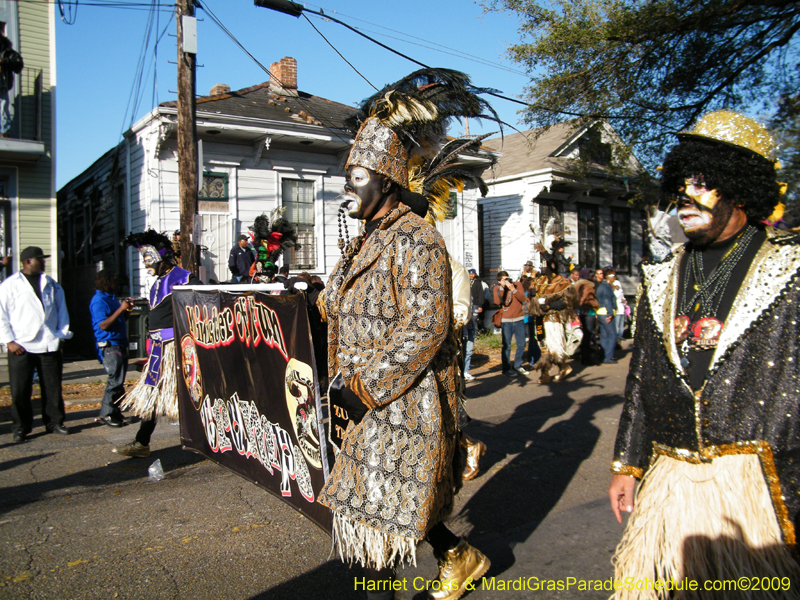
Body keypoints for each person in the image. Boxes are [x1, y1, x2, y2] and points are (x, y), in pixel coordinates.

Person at [608, 110, 800, 599]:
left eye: (703, 181)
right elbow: (641, 377)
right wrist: (626, 465)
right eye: (681, 182)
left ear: (740, 188)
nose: (683, 196)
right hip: (669, 477)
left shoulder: (789, 270)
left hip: (760, 487)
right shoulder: (661, 275)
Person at [320, 68, 496, 599]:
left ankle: (450, 559)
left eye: (355, 178)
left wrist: (363, 386)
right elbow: (334, 302)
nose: (346, 189)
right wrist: (308, 296)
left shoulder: (417, 239)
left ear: (385, 181)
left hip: (402, 399)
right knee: (379, 507)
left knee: (373, 519)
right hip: (363, 399)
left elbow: (425, 325)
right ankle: (458, 554)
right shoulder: (364, 241)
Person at [113, 230, 200, 458]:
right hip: (159, 350)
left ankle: (210, 440)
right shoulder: (158, 281)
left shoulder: (184, 278)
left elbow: (201, 303)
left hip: (176, 349)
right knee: (152, 393)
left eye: (149, 259)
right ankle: (142, 443)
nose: (146, 265)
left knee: (190, 394)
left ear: (162, 258)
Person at [0, 247, 72, 442]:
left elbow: (61, 311)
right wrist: (9, 341)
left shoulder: (51, 284)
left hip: (48, 343)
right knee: (20, 389)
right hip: (21, 345)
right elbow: (2, 315)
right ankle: (20, 427)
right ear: (28, 261)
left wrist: (61, 335)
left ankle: (54, 422)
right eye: (41, 259)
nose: (44, 262)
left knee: (52, 387)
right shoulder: (10, 285)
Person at [89, 270, 137, 427]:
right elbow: (103, 325)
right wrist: (120, 309)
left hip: (120, 342)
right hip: (109, 345)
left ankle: (115, 412)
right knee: (114, 380)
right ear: (106, 282)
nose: (117, 285)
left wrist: (127, 310)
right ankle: (107, 414)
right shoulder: (99, 301)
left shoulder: (112, 299)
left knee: (119, 381)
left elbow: (120, 319)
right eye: (114, 281)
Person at [528, 244, 578, 384]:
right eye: (542, 264)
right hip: (540, 320)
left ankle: (563, 366)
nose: (543, 267)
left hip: (552, 319)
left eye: (546, 263)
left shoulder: (560, 281)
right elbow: (532, 299)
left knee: (554, 346)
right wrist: (533, 296)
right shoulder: (538, 280)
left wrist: (550, 306)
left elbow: (566, 302)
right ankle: (545, 374)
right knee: (543, 346)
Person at [494, 271, 529, 378]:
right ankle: (506, 369)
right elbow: (497, 302)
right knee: (507, 345)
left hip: (519, 319)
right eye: (504, 280)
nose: (507, 281)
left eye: (507, 278)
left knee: (521, 343)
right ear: (499, 281)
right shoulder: (497, 289)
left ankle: (517, 365)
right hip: (506, 320)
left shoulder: (517, 285)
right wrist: (502, 288)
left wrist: (513, 289)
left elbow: (523, 299)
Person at [0, 22, 20, 138]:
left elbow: (18, 65)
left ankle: (3, 132)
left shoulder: (8, 52)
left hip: (2, 83)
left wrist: (5, 62)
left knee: (2, 107)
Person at [595, 267, 617, 363]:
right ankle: (608, 357)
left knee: (604, 335)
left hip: (600, 312)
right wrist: (610, 313)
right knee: (612, 335)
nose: (615, 277)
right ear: (608, 276)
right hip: (606, 313)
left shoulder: (601, 286)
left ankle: (602, 356)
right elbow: (607, 300)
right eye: (613, 275)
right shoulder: (607, 287)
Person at [606, 268, 627, 340]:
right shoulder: (608, 285)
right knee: (616, 323)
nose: (614, 277)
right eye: (612, 276)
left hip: (621, 306)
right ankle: (616, 336)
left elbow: (620, 291)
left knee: (621, 323)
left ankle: (620, 336)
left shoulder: (617, 282)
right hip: (616, 307)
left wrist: (624, 299)